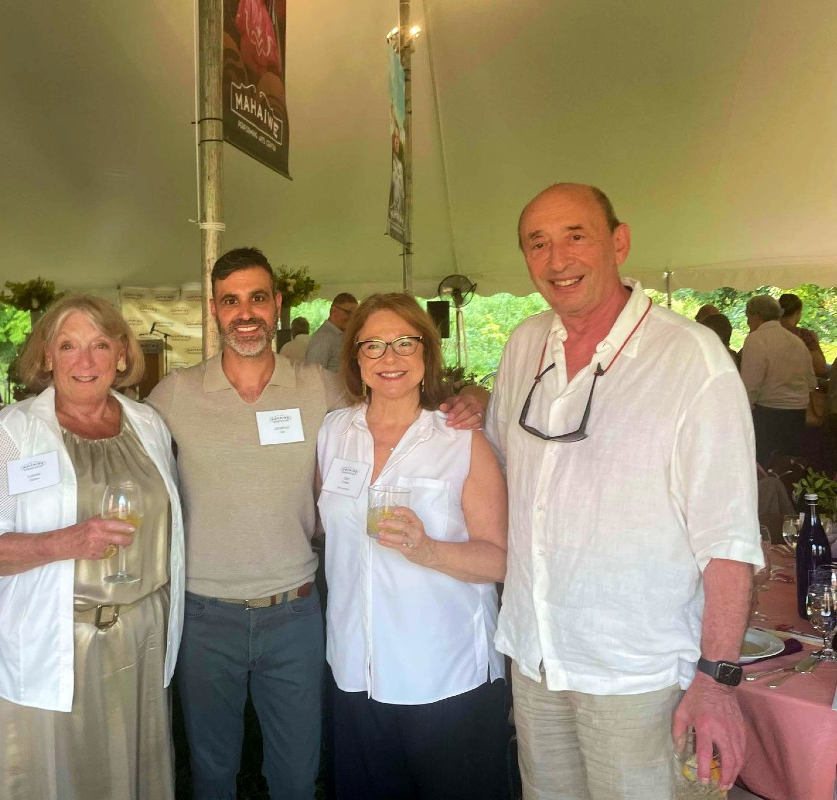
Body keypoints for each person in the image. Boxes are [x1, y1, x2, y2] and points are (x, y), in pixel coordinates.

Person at [486, 183, 762, 798]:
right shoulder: (525, 344)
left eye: (575, 236)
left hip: (639, 677)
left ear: (619, 241)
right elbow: (501, 462)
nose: (557, 260)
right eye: (538, 244)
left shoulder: (692, 359)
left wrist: (717, 681)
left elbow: (728, 539)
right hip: (539, 661)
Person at [0, 294, 184, 798]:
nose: (85, 362)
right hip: (47, 636)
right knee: (43, 779)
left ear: (122, 356)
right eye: (68, 346)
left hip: (137, 637)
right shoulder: (14, 429)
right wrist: (67, 541)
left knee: (124, 774)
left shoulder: (147, 423)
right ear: (46, 357)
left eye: (100, 345)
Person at [146, 247, 345, 799]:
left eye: (258, 297)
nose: (245, 312)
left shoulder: (319, 387)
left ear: (278, 304)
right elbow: (116, 447)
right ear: (214, 310)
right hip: (205, 615)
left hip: (295, 611)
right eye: (231, 301)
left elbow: (391, 419)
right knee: (210, 774)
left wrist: (465, 401)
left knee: (297, 775)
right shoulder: (174, 395)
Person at [317, 292, 510, 799]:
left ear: (426, 354)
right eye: (374, 345)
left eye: (405, 342)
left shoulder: (461, 440)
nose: (390, 358)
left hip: (444, 676)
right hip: (355, 669)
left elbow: (500, 558)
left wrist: (430, 551)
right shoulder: (334, 432)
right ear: (355, 359)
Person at [741, 294, 815, 465]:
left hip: (768, 414)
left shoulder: (756, 339)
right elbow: (811, 381)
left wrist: (744, 413)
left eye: (747, 317)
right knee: (790, 465)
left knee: (765, 466)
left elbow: (751, 384)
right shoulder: (797, 341)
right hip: (797, 414)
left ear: (755, 316)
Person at [305, 292, 358, 372]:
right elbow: (312, 373)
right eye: (349, 312)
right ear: (334, 311)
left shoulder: (340, 335)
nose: (352, 318)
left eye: (355, 315)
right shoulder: (323, 337)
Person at [777, 293, 827, 377]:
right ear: (797, 312)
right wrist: (815, 342)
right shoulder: (804, 336)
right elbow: (820, 368)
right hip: (798, 385)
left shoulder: (765, 334)